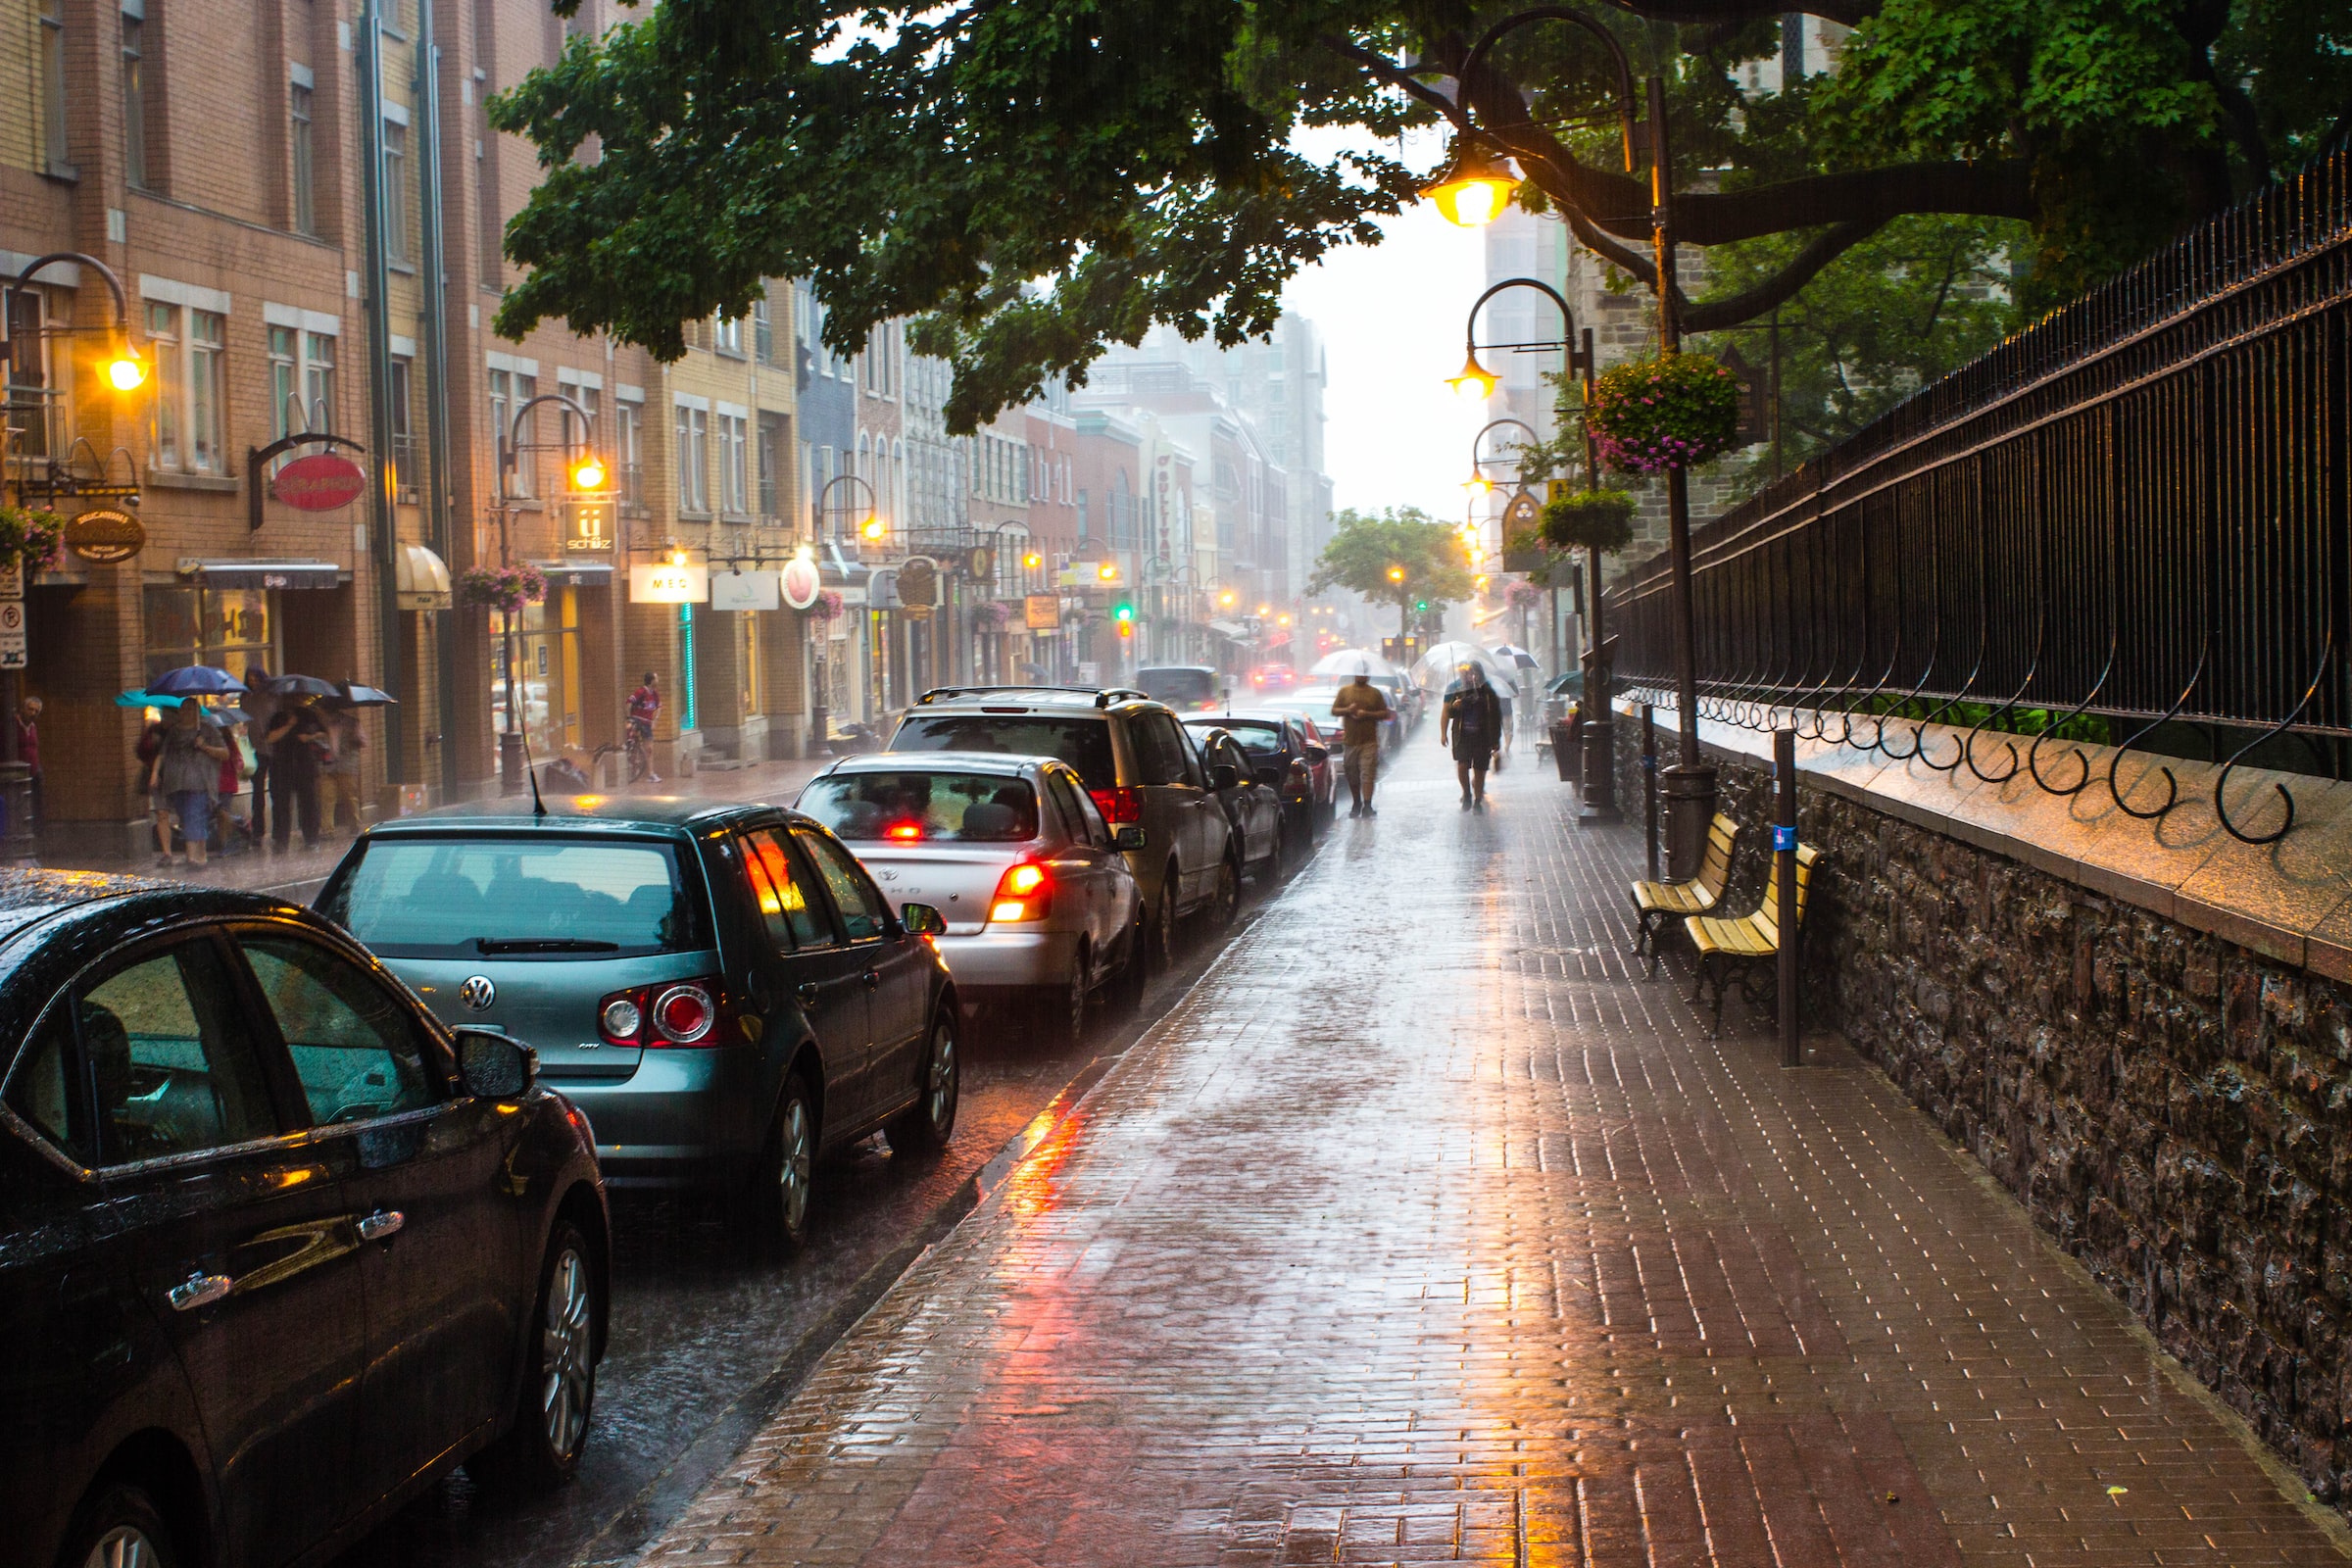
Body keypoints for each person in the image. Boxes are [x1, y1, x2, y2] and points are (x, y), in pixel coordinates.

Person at [151, 702, 229, 868]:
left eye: (188, 709)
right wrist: (155, 773)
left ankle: (192, 858)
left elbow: (225, 753)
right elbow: (163, 754)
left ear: (196, 712)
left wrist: (205, 746)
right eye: (182, 709)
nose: (184, 713)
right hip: (176, 783)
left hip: (200, 781)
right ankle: (201, 855)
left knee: (194, 814)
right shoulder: (174, 732)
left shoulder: (208, 730)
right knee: (189, 818)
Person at [264, 699, 330, 851]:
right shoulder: (277, 717)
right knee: (281, 805)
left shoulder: (308, 715)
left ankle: (311, 839)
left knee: (308, 803)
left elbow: (323, 733)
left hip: (304, 765)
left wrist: (310, 737)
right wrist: (289, 725)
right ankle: (281, 840)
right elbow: (270, 737)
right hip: (282, 766)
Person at [1329, 671, 1394, 817]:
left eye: (1364, 674)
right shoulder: (1345, 692)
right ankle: (1356, 802)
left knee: (1368, 773)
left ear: (1368, 676)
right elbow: (1334, 710)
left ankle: (1368, 804)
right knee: (1352, 774)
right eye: (1359, 674)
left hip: (1369, 741)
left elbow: (1384, 714)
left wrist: (1367, 714)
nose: (1361, 677)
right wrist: (1347, 710)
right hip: (1350, 741)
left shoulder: (1375, 693)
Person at [1440, 662, 1502, 810]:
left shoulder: (1487, 692)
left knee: (1480, 769)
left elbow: (1495, 716)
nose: (1468, 675)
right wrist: (1455, 707)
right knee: (1462, 765)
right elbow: (1448, 713)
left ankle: (1477, 800)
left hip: (1482, 736)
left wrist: (1495, 739)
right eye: (1465, 672)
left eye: (1472, 672)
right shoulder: (1456, 690)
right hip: (1463, 736)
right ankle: (1467, 793)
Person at [242, 666, 279, 846]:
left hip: (274, 748)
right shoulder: (246, 698)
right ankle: (258, 830)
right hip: (257, 748)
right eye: (250, 679)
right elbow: (247, 720)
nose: (253, 682)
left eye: (255, 678)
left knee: (276, 789)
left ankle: (278, 830)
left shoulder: (272, 696)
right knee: (257, 791)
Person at [319, 702, 367, 831]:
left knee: (350, 797)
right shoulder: (321, 725)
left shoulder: (352, 723)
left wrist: (356, 738)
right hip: (328, 766)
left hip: (347, 766)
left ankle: (354, 825)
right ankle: (327, 830)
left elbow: (363, 742)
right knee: (327, 798)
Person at [628, 670, 663, 783]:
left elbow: (659, 707)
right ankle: (632, 769)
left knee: (649, 749)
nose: (658, 681)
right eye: (656, 679)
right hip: (638, 721)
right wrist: (629, 718)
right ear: (651, 681)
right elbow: (629, 702)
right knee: (632, 744)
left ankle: (651, 774)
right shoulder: (641, 692)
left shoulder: (655, 694)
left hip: (647, 723)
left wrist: (655, 720)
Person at [16, 695, 41, 833]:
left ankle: (35, 830)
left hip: (33, 770)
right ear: (23, 709)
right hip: (19, 772)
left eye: (36, 711)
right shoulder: (13, 726)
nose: (33, 713)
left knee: (35, 803)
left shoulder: (33, 727)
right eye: (30, 709)